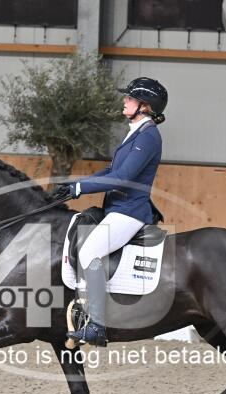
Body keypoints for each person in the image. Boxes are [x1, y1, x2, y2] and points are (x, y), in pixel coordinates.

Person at [54, 76, 168, 347]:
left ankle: (96, 325)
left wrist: (80, 187)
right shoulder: (136, 131)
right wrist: (75, 185)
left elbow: (123, 177)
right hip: (117, 208)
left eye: (130, 98)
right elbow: (111, 170)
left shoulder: (149, 136)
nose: (124, 101)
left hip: (129, 211)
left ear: (144, 106)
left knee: (89, 252)